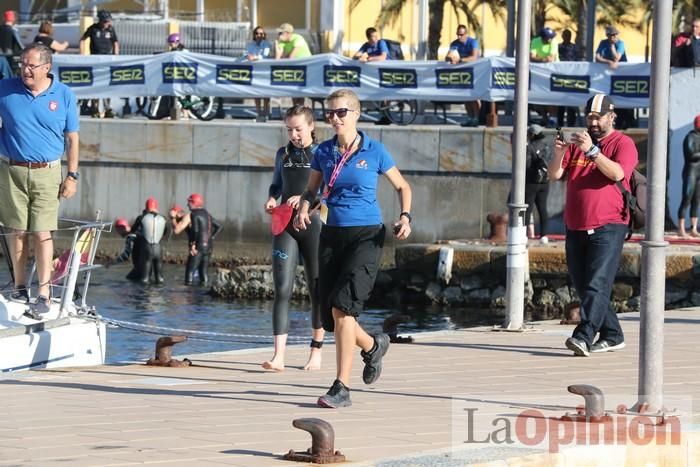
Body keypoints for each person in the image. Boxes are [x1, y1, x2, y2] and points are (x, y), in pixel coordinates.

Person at [294, 88, 412, 408]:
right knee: (332, 315)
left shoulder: (375, 151)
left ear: (356, 114)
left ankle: (341, 388)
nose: (334, 118)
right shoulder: (323, 152)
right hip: (332, 234)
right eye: (329, 113)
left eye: (341, 112)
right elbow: (311, 191)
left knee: (345, 308)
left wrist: (405, 216)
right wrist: (304, 208)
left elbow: (402, 186)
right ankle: (373, 346)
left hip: (366, 235)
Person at [548, 94, 638, 357]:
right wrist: (559, 154)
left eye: (599, 117)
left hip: (609, 224)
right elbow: (555, 175)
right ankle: (613, 334)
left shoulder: (623, 143)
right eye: (590, 117)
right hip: (575, 224)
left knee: (597, 283)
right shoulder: (578, 143)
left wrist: (592, 151)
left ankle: (584, 335)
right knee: (584, 285)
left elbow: (618, 173)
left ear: (612, 116)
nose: (594, 122)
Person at [0, 43, 80, 314]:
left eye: (31, 65)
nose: (25, 69)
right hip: (12, 170)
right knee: (15, 229)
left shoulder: (65, 95)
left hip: (48, 172)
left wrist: (72, 175)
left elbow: (72, 138)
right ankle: (20, 287)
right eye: (22, 64)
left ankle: (44, 293)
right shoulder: (5, 88)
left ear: (47, 67)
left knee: (42, 231)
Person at [263, 104, 325, 371]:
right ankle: (279, 357)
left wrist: (305, 198)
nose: (294, 135)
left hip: (313, 226)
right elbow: (277, 183)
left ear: (311, 126)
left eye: (298, 129)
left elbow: (326, 190)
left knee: (316, 291)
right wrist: (271, 197)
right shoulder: (283, 153)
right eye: (289, 130)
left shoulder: (322, 153)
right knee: (282, 290)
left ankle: (316, 352)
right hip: (285, 224)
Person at [170, 193, 222, 286]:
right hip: (209, 247)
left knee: (189, 272)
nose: (187, 205)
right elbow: (219, 226)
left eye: (189, 202)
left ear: (193, 203)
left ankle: (188, 293)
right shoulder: (207, 214)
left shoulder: (192, 215)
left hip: (198, 247)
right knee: (203, 272)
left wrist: (173, 218)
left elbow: (184, 230)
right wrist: (212, 237)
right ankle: (203, 294)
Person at [79, 10, 119, 118]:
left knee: (107, 84)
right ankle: (95, 107)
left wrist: (116, 56)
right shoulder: (93, 28)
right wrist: (82, 55)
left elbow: (115, 42)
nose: (107, 23)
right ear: (100, 21)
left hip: (107, 59)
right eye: (105, 21)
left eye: (108, 21)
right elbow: (82, 40)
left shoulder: (110, 29)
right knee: (95, 83)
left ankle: (107, 108)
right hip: (95, 59)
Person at [445, 24, 481, 127]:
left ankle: (476, 118)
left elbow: (474, 57)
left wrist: (460, 60)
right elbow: (448, 56)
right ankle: (470, 118)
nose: (459, 37)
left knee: (474, 96)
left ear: (466, 34)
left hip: (475, 72)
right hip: (463, 73)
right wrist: (450, 58)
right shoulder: (455, 44)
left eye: (461, 34)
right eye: (458, 34)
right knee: (465, 96)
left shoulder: (473, 42)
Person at [130, 197, 168, 284]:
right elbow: (165, 232)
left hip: (147, 248)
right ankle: (159, 294)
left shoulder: (141, 217)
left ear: (146, 207)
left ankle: (144, 295)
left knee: (145, 279)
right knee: (160, 278)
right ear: (156, 208)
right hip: (158, 249)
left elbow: (133, 230)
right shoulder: (163, 218)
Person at [275, 23, 311, 106]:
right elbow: (277, 58)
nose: (279, 35)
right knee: (293, 91)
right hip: (294, 69)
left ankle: (300, 109)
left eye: (281, 33)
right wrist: (276, 43)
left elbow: (291, 57)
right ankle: (295, 109)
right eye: (279, 33)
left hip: (305, 68)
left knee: (300, 91)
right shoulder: (282, 41)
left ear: (288, 33)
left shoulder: (298, 38)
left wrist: (285, 56)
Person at [524, 124, 551, 240]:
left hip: (532, 181)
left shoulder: (530, 147)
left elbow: (527, 164)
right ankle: (544, 235)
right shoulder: (547, 146)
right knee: (543, 209)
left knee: (527, 209)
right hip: (545, 181)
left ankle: (523, 234)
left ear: (532, 134)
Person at [677, 115, 700, 237]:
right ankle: (681, 229)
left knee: (696, 201)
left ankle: (693, 228)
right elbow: (691, 155)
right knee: (686, 199)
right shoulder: (690, 137)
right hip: (690, 172)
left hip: (698, 174)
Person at [530, 27, 558, 126]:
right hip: (538, 75)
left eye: (551, 37)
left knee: (552, 97)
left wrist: (539, 58)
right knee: (538, 98)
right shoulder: (535, 41)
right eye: (548, 38)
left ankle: (553, 119)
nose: (550, 39)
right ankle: (545, 118)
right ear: (542, 37)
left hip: (553, 74)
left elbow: (551, 58)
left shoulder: (553, 41)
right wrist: (542, 60)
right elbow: (531, 56)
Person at [245, 26, 272, 122]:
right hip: (254, 71)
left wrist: (254, 57)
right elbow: (246, 54)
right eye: (257, 33)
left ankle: (265, 113)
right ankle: (259, 113)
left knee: (265, 93)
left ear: (264, 35)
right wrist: (248, 56)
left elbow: (265, 55)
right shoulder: (250, 45)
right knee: (256, 93)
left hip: (265, 71)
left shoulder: (267, 44)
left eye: (261, 33)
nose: (259, 35)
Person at [109, 217, 148, 282]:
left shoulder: (131, 237)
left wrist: (112, 262)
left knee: (130, 281)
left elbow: (126, 255)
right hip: (147, 264)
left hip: (140, 267)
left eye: (118, 230)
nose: (118, 233)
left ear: (122, 228)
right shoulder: (137, 233)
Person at [557, 29, 580, 127]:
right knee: (560, 103)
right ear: (562, 36)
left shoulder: (574, 47)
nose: (567, 37)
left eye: (569, 35)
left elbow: (578, 60)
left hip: (572, 78)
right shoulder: (558, 47)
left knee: (571, 103)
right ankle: (560, 123)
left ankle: (571, 124)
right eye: (565, 35)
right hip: (561, 78)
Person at [0, 10, 23, 76]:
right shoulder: (13, 30)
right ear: (13, 19)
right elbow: (20, 46)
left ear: (4, 18)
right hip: (9, 58)